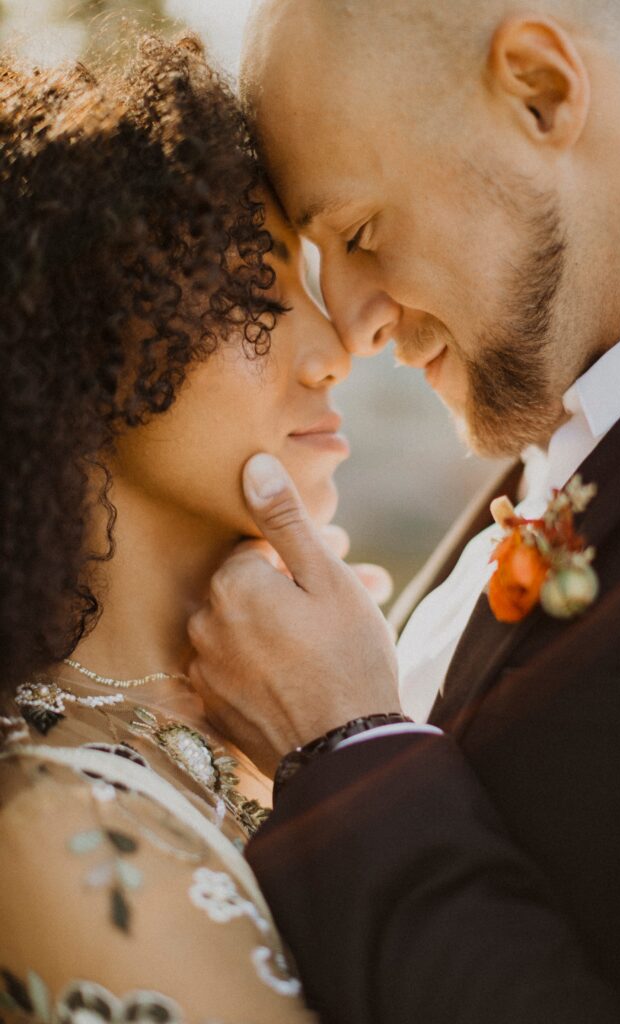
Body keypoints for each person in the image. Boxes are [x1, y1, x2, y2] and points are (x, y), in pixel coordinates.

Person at [186, 1, 620, 1022]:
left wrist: (343, 748)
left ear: (541, 92)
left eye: (361, 232)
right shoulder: (571, 440)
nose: (350, 324)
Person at [0, 34, 358, 1023]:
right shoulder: (55, 834)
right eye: (256, 293)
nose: (333, 353)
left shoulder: (289, 702)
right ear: (86, 331)